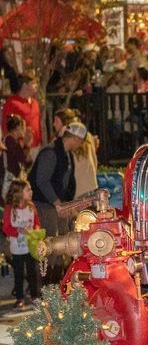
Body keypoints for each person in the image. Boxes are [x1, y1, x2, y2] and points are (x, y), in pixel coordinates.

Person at [28, 121, 86, 282]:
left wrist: (67, 203)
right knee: (50, 243)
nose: (81, 144)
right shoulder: (51, 152)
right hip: (45, 204)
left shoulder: (65, 154)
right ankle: (44, 283)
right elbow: (42, 181)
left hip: (57, 204)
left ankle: (57, 280)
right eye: (80, 141)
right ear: (75, 138)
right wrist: (57, 202)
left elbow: (66, 182)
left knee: (63, 242)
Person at [3, 179, 40, 309]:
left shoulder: (31, 207)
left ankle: (35, 296)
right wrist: (17, 230)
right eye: (27, 190)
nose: (31, 191)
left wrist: (35, 231)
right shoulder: (10, 209)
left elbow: (36, 223)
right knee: (18, 274)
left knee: (33, 272)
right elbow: (6, 228)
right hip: (17, 248)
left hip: (30, 247)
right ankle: (19, 297)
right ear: (18, 193)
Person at [1, 74, 41, 153]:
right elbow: (6, 126)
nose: (36, 86)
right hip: (20, 148)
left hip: (36, 146)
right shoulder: (12, 103)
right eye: (33, 83)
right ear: (25, 85)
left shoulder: (35, 102)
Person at [3, 114, 33, 199]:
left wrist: (27, 145)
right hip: (8, 178)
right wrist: (27, 144)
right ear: (18, 127)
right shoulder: (9, 140)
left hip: (14, 177)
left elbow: (27, 163)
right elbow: (22, 158)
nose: (25, 129)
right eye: (24, 126)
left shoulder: (17, 141)